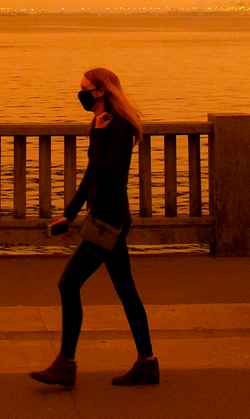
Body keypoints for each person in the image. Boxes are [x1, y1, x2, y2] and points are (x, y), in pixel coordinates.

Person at [29, 66, 158, 388]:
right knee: (126, 292)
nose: (81, 94)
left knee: (68, 284)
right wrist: (69, 214)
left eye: (85, 88)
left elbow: (109, 172)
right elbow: (91, 175)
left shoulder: (119, 126)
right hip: (104, 216)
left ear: (100, 91)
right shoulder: (101, 123)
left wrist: (99, 134)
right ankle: (148, 362)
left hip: (108, 221)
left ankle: (65, 364)